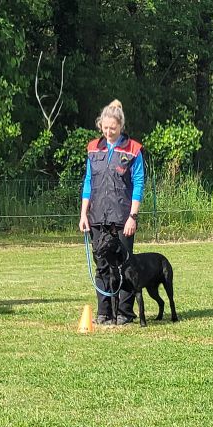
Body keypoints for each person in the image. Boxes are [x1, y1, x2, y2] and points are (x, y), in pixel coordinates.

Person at [78, 100, 145, 325]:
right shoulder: (93, 148)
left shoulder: (133, 150)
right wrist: (83, 214)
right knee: (102, 265)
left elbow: (138, 183)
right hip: (97, 218)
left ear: (121, 126)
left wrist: (132, 217)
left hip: (122, 218)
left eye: (112, 128)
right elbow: (88, 182)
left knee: (124, 267)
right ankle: (104, 312)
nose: (108, 132)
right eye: (105, 128)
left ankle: (125, 313)